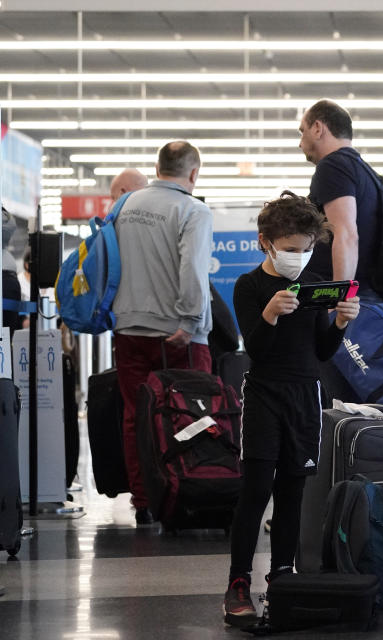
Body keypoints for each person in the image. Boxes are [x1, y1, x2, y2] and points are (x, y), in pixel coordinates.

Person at [222, 191, 359, 627]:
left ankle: (283, 573)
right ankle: (238, 581)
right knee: (256, 489)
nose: (298, 258)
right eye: (289, 250)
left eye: (305, 249)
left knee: (293, 492)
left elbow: (320, 351)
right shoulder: (249, 286)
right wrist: (268, 315)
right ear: (266, 242)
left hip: (305, 395)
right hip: (265, 393)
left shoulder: (314, 283)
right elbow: (256, 351)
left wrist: (339, 323)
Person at [112, 141, 215, 526]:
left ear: (158, 168)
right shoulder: (192, 210)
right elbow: (192, 270)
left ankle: (144, 503)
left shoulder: (123, 206)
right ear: (193, 174)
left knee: (135, 416)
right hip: (177, 334)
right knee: (193, 413)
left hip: (129, 329)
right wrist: (189, 322)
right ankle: (191, 492)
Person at [299, 99, 382, 301]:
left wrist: (339, 300)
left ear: (317, 128)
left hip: (350, 298)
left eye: (302, 131)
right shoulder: (364, 170)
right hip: (367, 293)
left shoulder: (333, 166)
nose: (300, 143)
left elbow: (346, 235)